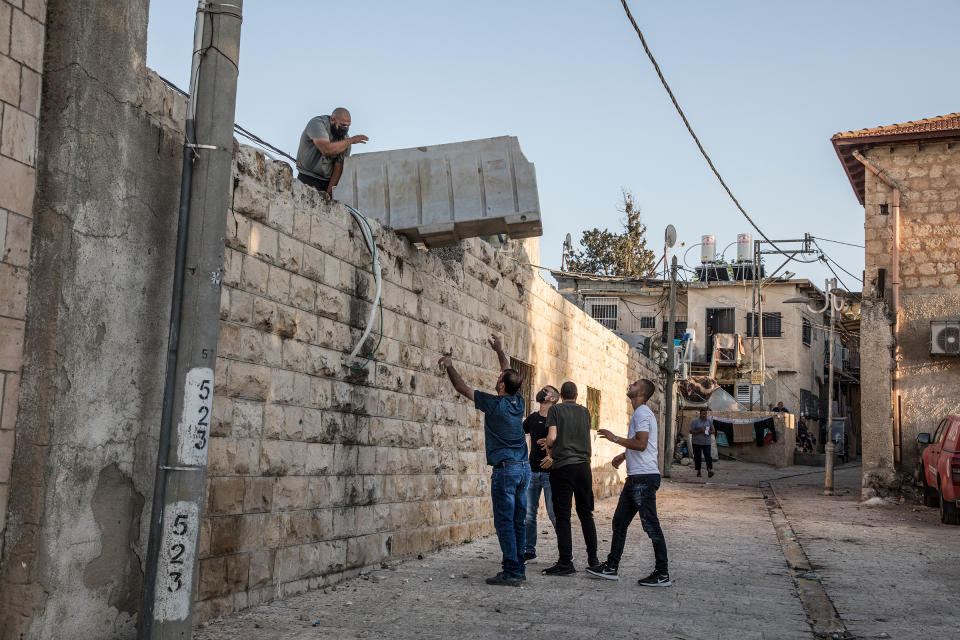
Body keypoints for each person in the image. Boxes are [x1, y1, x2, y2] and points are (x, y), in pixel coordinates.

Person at [438, 335, 529, 587]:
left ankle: (511, 571)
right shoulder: (518, 402)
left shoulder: (495, 404)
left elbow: (462, 389)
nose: (498, 376)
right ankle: (518, 568)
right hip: (524, 469)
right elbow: (508, 369)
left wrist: (449, 365)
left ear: (501, 385)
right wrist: (500, 349)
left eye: (500, 378)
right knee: (518, 521)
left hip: (507, 471)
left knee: (505, 522)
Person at [588, 379, 671, 587]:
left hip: (643, 479)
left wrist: (614, 438)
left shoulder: (642, 413)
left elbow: (642, 444)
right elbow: (642, 443)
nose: (630, 386)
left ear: (641, 392)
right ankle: (611, 567)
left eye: (634, 384)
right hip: (636, 478)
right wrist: (623, 456)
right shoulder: (640, 413)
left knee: (651, 526)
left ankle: (662, 574)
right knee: (619, 522)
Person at [538, 381, 598, 576]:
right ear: (577, 395)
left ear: (561, 395)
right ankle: (593, 560)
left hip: (563, 467)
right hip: (583, 467)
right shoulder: (585, 412)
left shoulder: (556, 410)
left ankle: (566, 562)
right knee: (586, 514)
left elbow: (553, 437)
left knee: (563, 515)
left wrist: (547, 446)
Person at [522, 385, 560, 561]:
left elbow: (566, 442)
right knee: (529, 514)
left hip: (551, 475)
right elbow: (518, 434)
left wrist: (554, 453)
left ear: (553, 398)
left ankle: (565, 552)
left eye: (546, 391)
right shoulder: (532, 418)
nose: (541, 392)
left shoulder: (558, 419)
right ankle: (529, 551)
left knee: (554, 513)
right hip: (532, 472)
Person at [295, 108, 369, 195]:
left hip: (326, 181)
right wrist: (351, 140)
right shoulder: (317, 123)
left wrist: (329, 194)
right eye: (342, 125)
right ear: (332, 120)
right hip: (307, 176)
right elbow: (326, 149)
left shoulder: (345, 140)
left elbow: (338, 168)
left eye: (348, 126)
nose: (345, 129)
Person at [689, 408, 715, 478]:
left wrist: (710, 432)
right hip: (696, 442)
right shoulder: (695, 421)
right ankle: (698, 471)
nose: (704, 415)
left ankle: (709, 470)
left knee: (708, 456)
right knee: (697, 457)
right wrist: (699, 431)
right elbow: (690, 431)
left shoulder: (709, 421)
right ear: (700, 414)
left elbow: (713, 431)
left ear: (706, 414)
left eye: (705, 414)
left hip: (706, 442)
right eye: (703, 414)